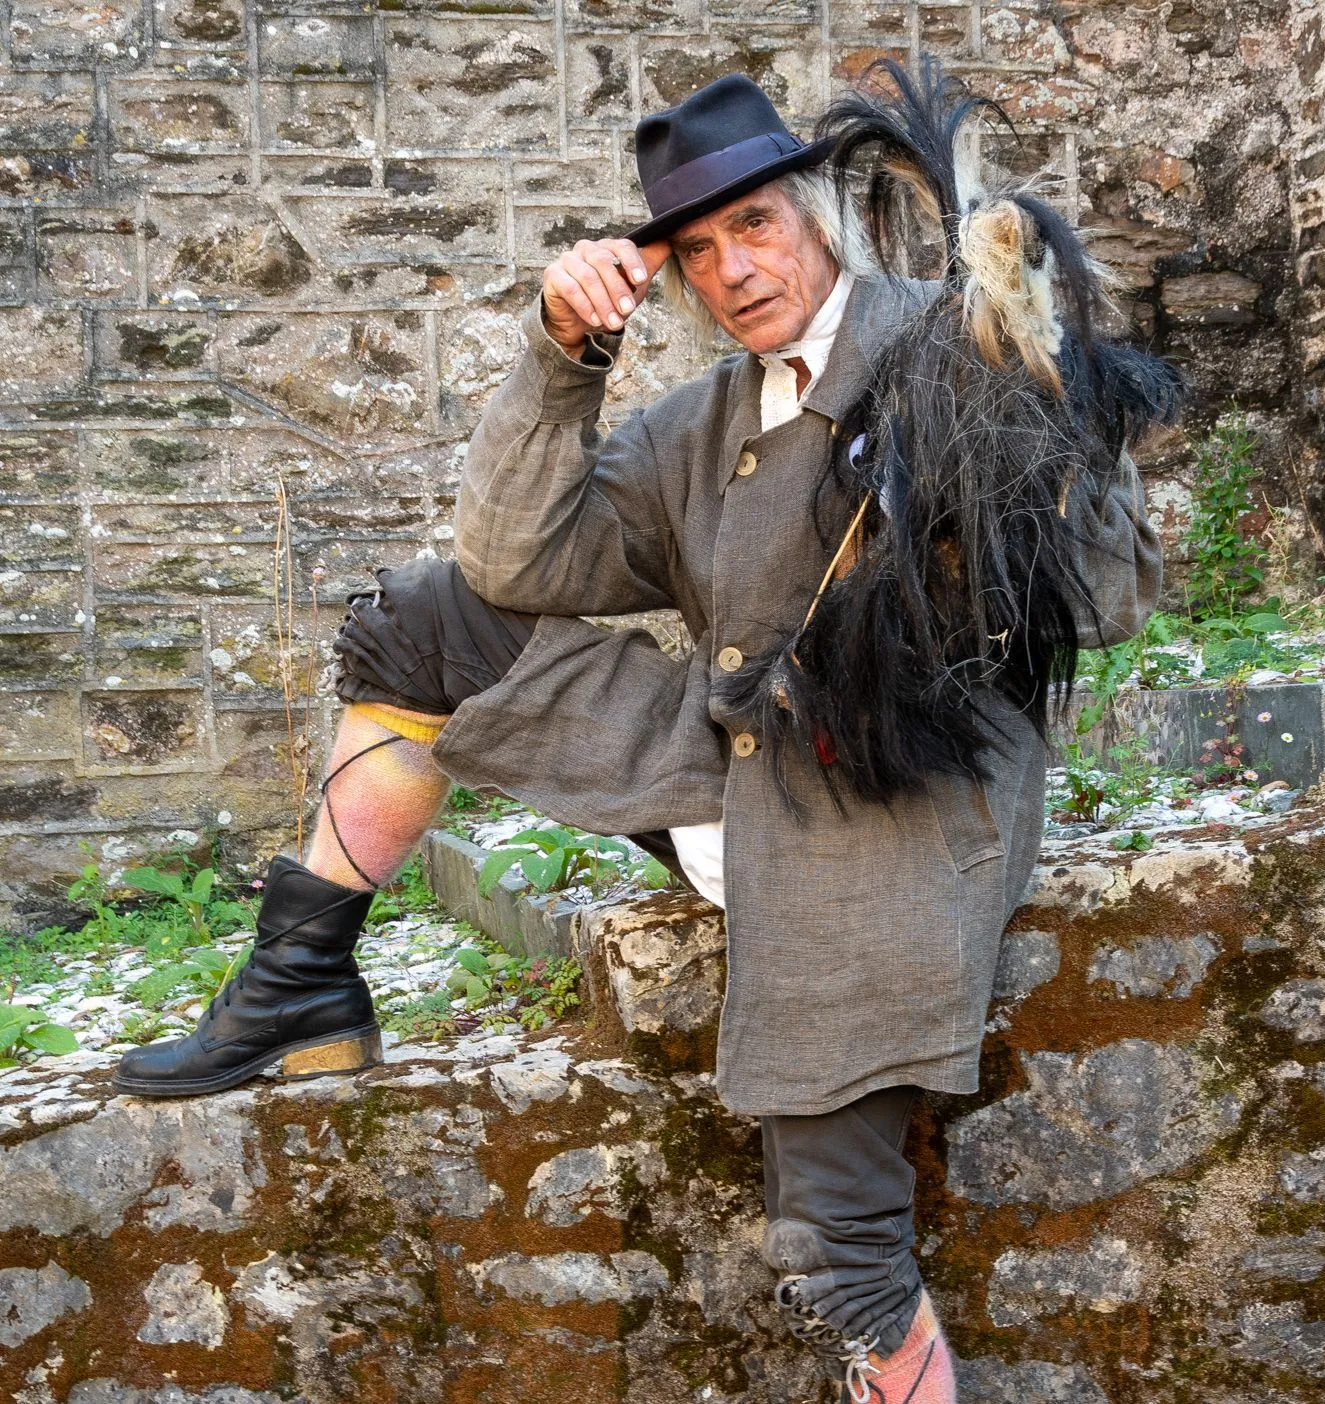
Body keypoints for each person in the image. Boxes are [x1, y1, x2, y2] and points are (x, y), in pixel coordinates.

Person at [114, 63, 1171, 1403]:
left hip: (890, 825)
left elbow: (1116, 597)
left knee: (842, 1254)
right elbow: (510, 560)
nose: (733, 271)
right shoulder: (702, 425)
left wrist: (1058, 427)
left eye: (755, 227)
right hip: (723, 769)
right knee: (419, 623)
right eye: (698, 251)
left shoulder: (955, 344)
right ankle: (300, 981)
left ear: (814, 218)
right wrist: (563, 358)